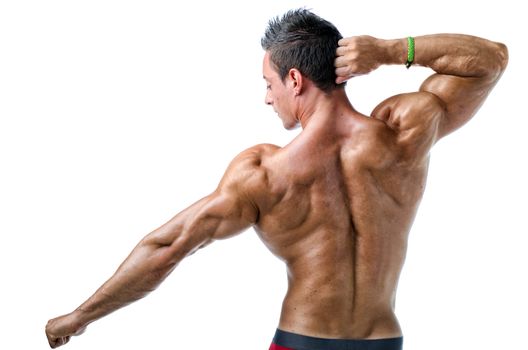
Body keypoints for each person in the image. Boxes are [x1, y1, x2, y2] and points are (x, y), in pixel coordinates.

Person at [45, 8, 508, 350]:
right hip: (383, 341)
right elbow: (491, 59)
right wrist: (390, 51)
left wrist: (79, 317)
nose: (268, 99)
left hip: (300, 342)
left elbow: (166, 248)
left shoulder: (265, 173)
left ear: (294, 78)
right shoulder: (403, 133)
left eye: (268, 84)